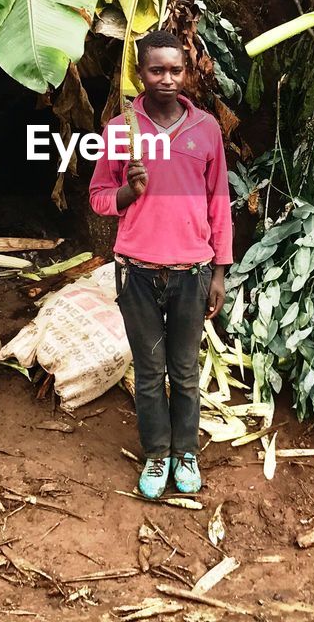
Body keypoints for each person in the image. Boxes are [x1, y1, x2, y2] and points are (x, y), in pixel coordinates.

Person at [89, 30, 233, 499]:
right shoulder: (119, 130)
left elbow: (220, 204)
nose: (167, 79)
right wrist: (128, 193)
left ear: (186, 70)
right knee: (150, 372)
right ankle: (156, 454)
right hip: (137, 270)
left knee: (185, 368)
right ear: (140, 72)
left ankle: (186, 452)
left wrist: (220, 270)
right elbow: (98, 198)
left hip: (192, 271)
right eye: (157, 70)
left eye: (175, 70)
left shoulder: (206, 129)